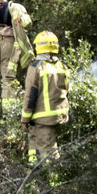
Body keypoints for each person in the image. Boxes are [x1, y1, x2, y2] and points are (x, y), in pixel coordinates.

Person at [21, 30, 70, 164]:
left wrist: (25, 119)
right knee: (39, 145)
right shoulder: (62, 66)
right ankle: (35, 171)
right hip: (60, 114)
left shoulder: (36, 67)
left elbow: (30, 96)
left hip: (44, 118)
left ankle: (52, 181)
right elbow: (67, 90)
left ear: (38, 47)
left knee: (48, 153)